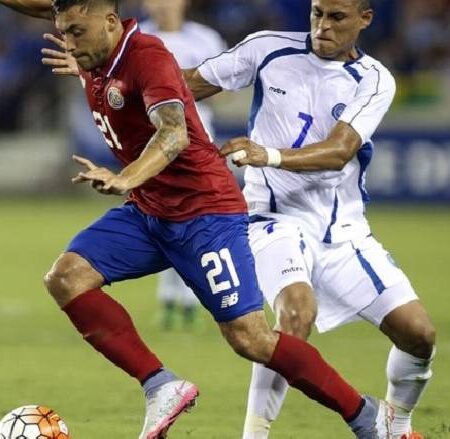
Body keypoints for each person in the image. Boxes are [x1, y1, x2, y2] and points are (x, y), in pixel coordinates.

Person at [0, 1, 395, 438]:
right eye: (64, 33)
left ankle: (366, 416)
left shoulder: (146, 56)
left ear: (110, 23)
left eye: (77, 33)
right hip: (151, 210)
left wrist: (125, 178)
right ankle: (160, 386)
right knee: (66, 277)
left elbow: (173, 132)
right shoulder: (98, 50)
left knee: (252, 339)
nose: (69, 44)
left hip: (205, 213)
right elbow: (55, 6)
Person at [183, 1, 437, 438]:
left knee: (419, 335)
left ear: (365, 19)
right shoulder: (268, 50)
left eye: (336, 17)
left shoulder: (375, 81)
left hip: (344, 233)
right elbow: (183, 85)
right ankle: (255, 434)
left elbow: (340, 150)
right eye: (317, 13)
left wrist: (269, 155)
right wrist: (109, 72)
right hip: (271, 218)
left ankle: (396, 424)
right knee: (295, 315)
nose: (322, 26)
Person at [140, 0, 227, 330]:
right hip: (152, 141)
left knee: (196, 219)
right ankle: (168, 298)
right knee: (162, 217)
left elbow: (224, 86)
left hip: (198, 142)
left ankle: (189, 301)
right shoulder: (137, 37)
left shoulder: (205, 39)